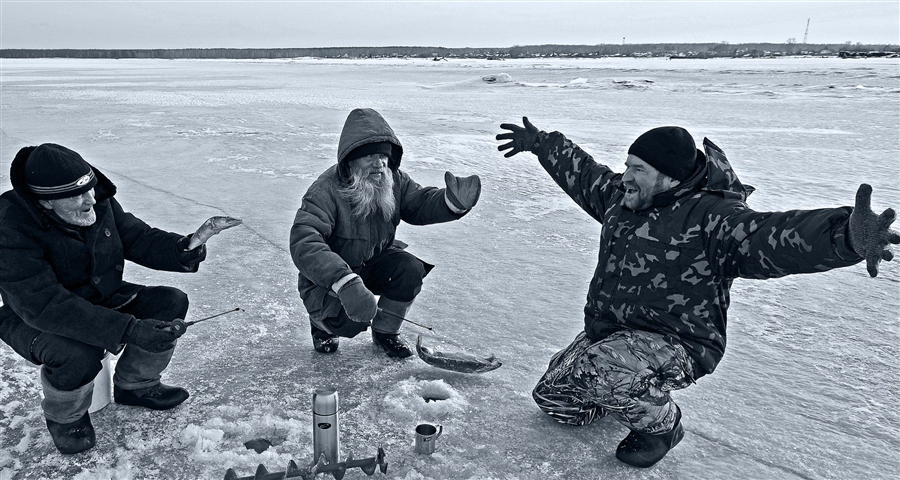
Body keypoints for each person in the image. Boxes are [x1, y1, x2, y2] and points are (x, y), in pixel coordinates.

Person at [495, 118, 898, 468]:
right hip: (615, 334)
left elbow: (772, 238)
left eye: (638, 169)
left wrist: (844, 236)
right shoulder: (623, 200)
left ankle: (662, 425)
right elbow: (586, 175)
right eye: (627, 166)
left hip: (679, 342)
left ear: (668, 177)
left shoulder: (712, 218)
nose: (625, 177)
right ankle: (618, 387)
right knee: (555, 401)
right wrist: (542, 144)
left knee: (605, 366)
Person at [0, 143, 242, 454]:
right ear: (45, 203)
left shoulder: (96, 200)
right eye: (77, 195)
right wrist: (128, 328)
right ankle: (66, 417)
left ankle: (136, 385)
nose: (91, 199)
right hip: (33, 317)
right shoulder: (9, 226)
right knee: (76, 354)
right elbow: (44, 304)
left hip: (101, 297)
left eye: (90, 188)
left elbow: (136, 237)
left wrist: (188, 244)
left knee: (169, 302)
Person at [290, 108, 481, 358]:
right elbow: (305, 241)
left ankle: (386, 333)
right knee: (350, 320)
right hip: (330, 278)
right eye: (369, 156)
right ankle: (321, 326)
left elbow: (419, 203)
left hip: (374, 260)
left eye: (382, 156)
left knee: (409, 269)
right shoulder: (324, 191)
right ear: (350, 158)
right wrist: (343, 282)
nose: (379, 163)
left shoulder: (393, 179)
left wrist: (451, 202)